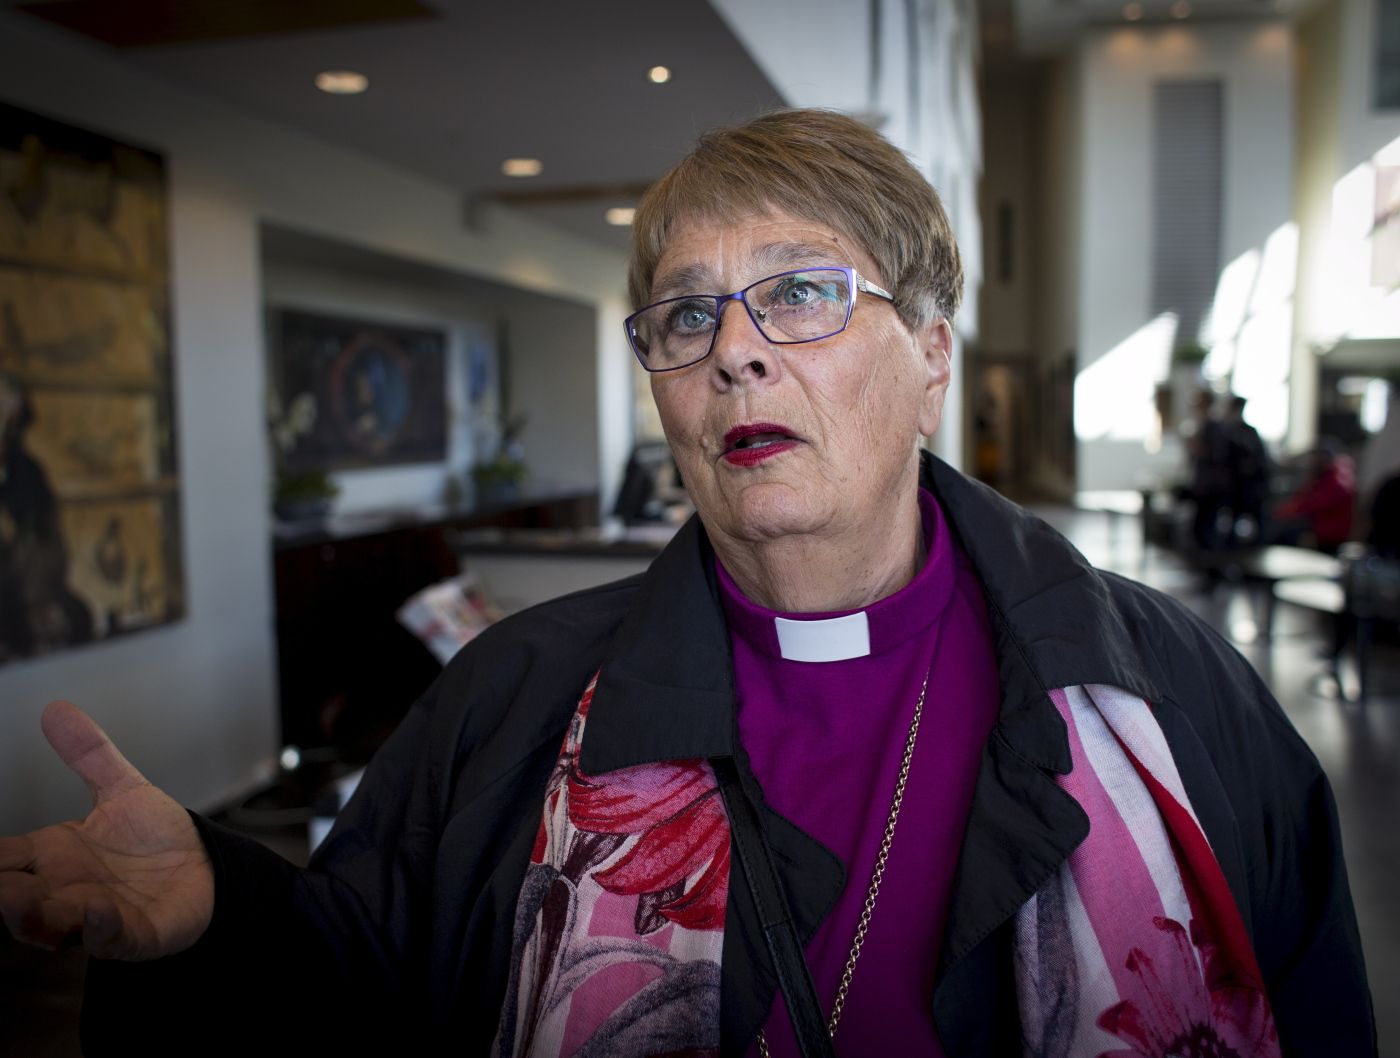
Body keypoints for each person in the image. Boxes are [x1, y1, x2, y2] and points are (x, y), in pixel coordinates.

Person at [0, 110, 1374, 1057]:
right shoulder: (516, 698)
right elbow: (356, 988)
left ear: (932, 354)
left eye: (802, 292)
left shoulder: (1162, 691)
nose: (735, 351)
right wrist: (219, 918)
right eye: (687, 314)